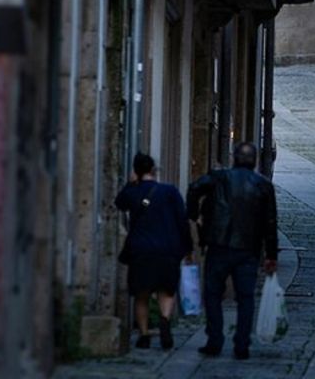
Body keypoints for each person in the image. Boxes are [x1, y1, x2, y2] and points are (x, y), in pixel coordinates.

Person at [186, 142, 278, 360]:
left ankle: (215, 340)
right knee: (245, 297)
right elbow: (271, 223)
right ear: (255, 160)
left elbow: (193, 188)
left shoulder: (220, 177)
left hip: (219, 245)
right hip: (248, 249)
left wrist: (194, 215)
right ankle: (242, 344)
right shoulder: (263, 185)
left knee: (213, 294)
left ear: (234, 158)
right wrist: (271, 255)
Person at [114, 152, 192, 350]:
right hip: (167, 249)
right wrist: (187, 247)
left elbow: (119, 203)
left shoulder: (133, 192)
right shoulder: (170, 191)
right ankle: (165, 319)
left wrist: (131, 184)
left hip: (141, 250)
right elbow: (182, 221)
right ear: (153, 170)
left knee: (142, 295)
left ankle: (144, 334)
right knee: (166, 291)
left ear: (136, 171)